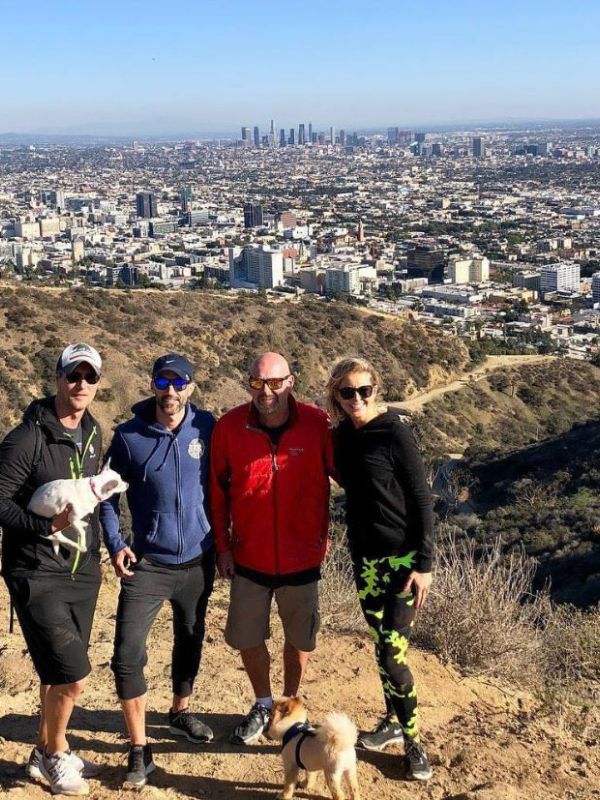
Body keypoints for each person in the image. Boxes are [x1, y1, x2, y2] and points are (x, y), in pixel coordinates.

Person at [99, 353, 215, 789]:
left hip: (198, 560)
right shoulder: (128, 438)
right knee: (127, 655)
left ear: (190, 387)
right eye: (163, 383)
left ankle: (180, 710)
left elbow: (223, 483)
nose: (170, 392)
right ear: (152, 385)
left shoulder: (207, 427)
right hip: (147, 563)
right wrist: (116, 544)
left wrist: (223, 541)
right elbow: (107, 496)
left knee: (190, 637)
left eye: (179, 383)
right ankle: (138, 748)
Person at [210, 351, 333, 745]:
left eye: (276, 382)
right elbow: (216, 492)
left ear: (291, 381)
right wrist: (222, 547)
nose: (267, 391)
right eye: (258, 383)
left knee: (299, 637)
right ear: (249, 383)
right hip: (249, 555)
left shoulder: (317, 424)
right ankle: (263, 703)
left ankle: (292, 703)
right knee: (248, 635)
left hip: (302, 555)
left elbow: (352, 474)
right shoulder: (229, 427)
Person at [0, 343, 104, 797]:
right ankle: (57, 752)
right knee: (73, 675)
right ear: (58, 378)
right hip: (36, 572)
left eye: (90, 377)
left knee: (53, 673)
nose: (80, 384)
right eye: (72, 375)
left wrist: (113, 546)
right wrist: (44, 526)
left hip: (82, 570)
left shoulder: (94, 432)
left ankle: (43, 751)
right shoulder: (27, 438)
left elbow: (98, 499)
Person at [325, 356, 434, 781]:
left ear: (377, 389)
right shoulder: (342, 437)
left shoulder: (394, 433)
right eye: (347, 392)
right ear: (336, 394)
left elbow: (421, 500)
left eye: (364, 390)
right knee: (380, 643)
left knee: (393, 651)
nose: (356, 399)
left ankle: (413, 742)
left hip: (404, 561)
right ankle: (391, 720)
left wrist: (424, 564)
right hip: (366, 559)